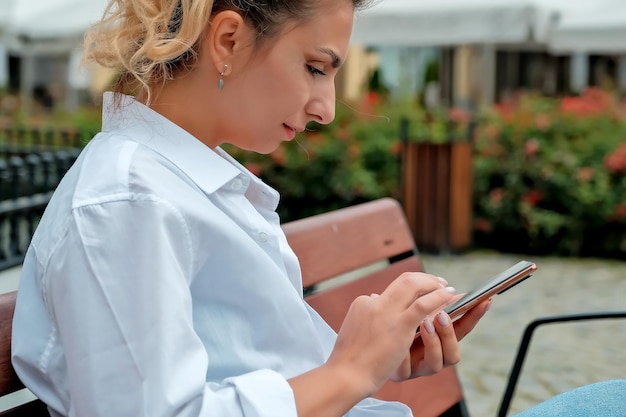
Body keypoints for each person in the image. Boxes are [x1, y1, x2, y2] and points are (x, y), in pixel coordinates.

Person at [10, 1, 625, 417]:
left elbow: (246, 365)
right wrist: (349, 372)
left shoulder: (180, 183)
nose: (326, 108)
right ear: (227, 40)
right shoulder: (128, 202)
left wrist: (374, 359)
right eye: (315, 68)